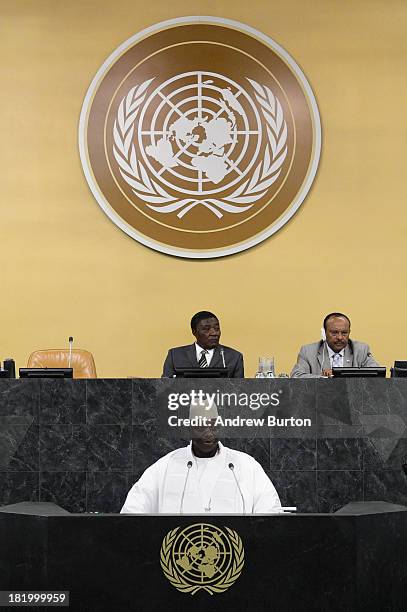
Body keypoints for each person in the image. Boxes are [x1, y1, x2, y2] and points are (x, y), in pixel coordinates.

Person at [121, 399, 281, 514]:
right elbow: (133, 512)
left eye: (213, 426)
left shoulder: (245, 465)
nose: (208, 433)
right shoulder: (166, 466)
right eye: (201, 427)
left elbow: (270, 510)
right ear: (189, 429)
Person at [290, 312, 379, 378]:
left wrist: (342, 374)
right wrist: (323, 378)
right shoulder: (308, 351)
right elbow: (296, 376)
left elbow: (377, 373)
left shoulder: (361, 350)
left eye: (344, 333)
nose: (340, 337)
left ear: (349, 332)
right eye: (334, 333)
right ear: (324, 333)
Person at [162, 310, 244, 378]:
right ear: (194, 332)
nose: (214, 333)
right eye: (206, 329)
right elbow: (164, 387)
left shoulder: (234, 357)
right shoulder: (175, 355)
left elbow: (240, 391)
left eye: (217, 328)